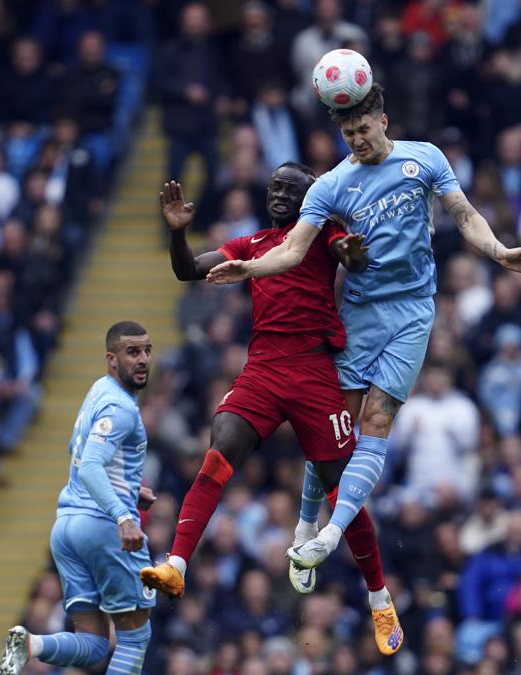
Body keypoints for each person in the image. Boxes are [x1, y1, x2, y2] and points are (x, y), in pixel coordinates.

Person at [207, 84, 521, 572]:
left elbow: (464, 216)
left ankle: (330, 532)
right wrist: (250, 269)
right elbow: (294, 249)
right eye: (348, 134)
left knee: (377, 423)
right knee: (335, 428)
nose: (357, 140)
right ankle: (305, 523)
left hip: (414, 313)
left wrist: (500, 252)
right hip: (361, 313)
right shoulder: (330, 185)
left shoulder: (424, 159)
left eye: (363, 130)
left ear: (383, 122)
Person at [139, 165, 405, 656]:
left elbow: (352, 258)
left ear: (311, 199)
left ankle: (378, 597)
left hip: (314, 373)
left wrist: (350, 255)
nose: (281, 194)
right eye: (275, 187)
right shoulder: (251, 243)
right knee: (219, 449)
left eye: (292, 189)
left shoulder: (322, 233)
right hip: (262, 370)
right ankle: (176, 563)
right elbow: (187, 269)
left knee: (341, 491)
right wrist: (179, 233)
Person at [0, 321, 157, 675]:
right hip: (104, 530)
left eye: (147, 350)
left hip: (67, 528)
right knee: (134, 639)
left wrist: (130, 489)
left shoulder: (98, 391)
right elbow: (91, 466)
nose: (143, 359)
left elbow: (78, 450)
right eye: (133, 352)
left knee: (94, 643)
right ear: (111, 359)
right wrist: (123, 513)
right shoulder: (122, 409)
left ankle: (31, 644)